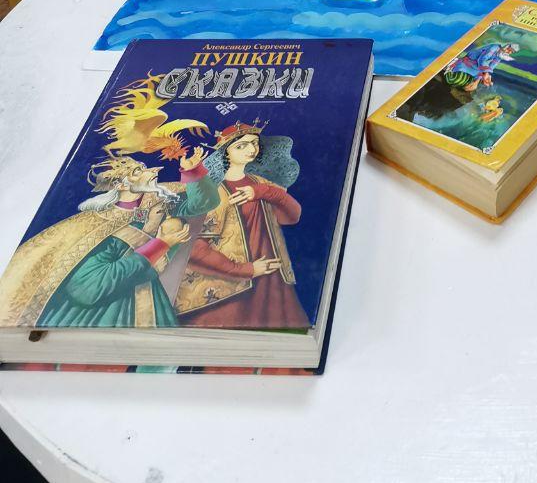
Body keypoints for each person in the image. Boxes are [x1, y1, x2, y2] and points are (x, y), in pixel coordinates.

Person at [0, 150, 217, 330]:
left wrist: (193, 172)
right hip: (101, 310)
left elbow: (203, 203)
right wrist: (160, 244)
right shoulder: (94, 223)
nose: (154, 170)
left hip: (146, 295)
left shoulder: (159, 203)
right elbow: (88, 287)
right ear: (121, 185)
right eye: (137, 171)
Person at [176, 123, 308, 329]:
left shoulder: (261, 183)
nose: (251, 149)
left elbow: (293, 216)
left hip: (272, 277)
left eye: (254, 143)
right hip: (233, 287)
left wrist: (262, 192)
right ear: (225, 152)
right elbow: (195, 249)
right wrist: (246, 270)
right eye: (241, 146)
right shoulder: (215, 192)